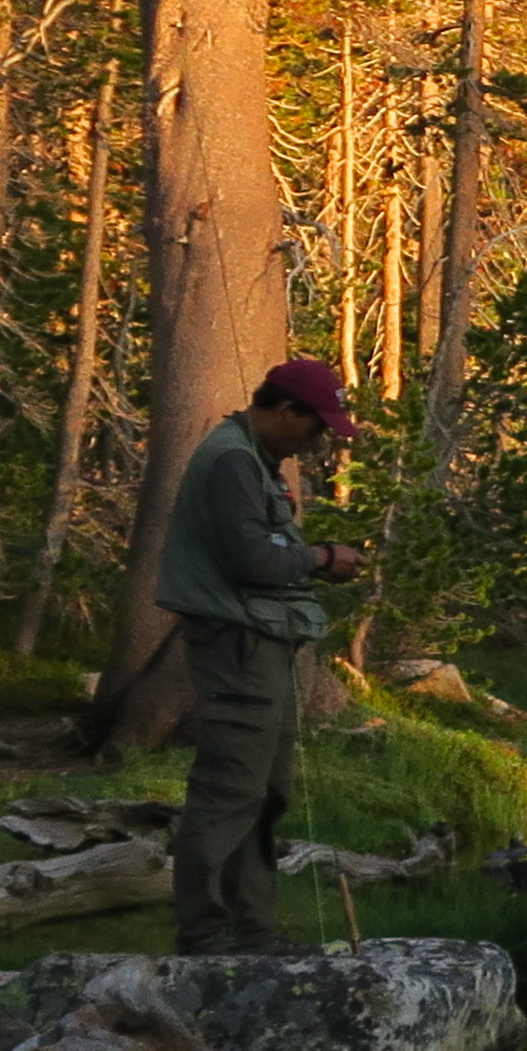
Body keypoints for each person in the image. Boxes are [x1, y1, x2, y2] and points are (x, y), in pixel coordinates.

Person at [157, 358, 370, 956]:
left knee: (265, 791)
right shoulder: (231, 460)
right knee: (229, 791)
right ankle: (205, 937)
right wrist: (322, 557)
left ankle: (253, 932)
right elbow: (252, 561)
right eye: (315, 425)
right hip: (237, 647)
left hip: (260, 646)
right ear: (284, 410)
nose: (319, 439)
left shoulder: (255, 459)